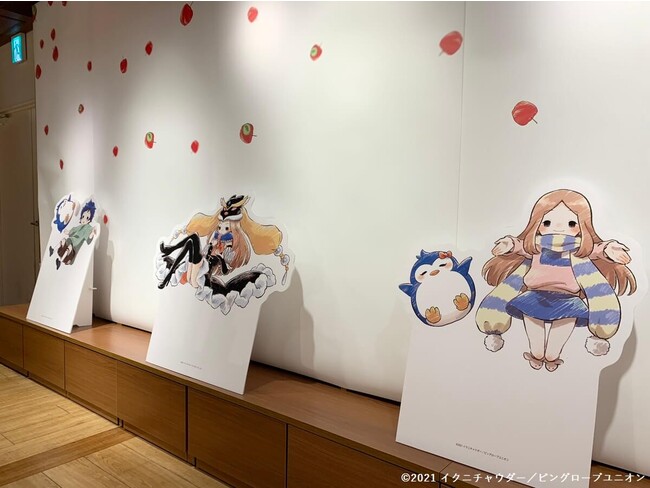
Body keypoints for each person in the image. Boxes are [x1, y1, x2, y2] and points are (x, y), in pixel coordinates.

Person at [476, 189, 636, 371]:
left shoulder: (579, 250)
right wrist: (510, 244)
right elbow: (521, 247)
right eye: (547, 222)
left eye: (571, 223)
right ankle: (536, 356)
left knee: (555, 346)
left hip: (568, 301)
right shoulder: (536, 247)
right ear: (537, 223)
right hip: (534, 297)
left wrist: (608, 249)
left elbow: (596, 250)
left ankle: (552, 358)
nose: (559, 229)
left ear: (582, 226)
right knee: (536, 343)